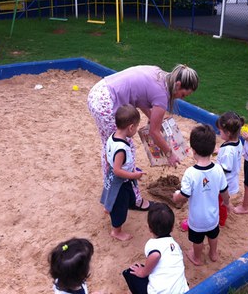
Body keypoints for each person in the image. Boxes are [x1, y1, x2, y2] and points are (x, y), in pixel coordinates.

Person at [87, 64, 200, 211]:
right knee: (124, 149)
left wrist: (152, 117)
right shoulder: (162, 94)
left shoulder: (158, 72)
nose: (181, 98)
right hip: (106, 103)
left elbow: (140, 99)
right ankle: (131, 199)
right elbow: (154, 132)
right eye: (183, 94)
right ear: (178, 85)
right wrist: (170, 154)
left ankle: (111, 189)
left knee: (110, 146)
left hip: (98, 91)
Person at [172, 124, 231, 266]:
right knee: (213, 235)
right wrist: (227, 203)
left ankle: (197, 257)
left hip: (197, 219)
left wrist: (176, 196)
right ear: (212, 149)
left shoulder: (190, 173)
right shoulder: (218, 169)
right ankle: (213, 253)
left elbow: (184, 196)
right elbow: (224, 192)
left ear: (193, 150)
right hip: (213, 216)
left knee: (197, 240)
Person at [122, 202, 189, 294]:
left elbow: (155, 255)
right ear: (172, 227)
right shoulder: (175, 245)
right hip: (183, 291)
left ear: (150, 228)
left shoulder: (152, 244)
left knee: (131, 271)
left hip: (160, 292)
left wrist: (143, 272)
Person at [101, 104, 144, 241]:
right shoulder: (122, 148)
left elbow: (108, 158)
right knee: (120, 206)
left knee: (118, 196)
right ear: (131, 127)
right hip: (120, 180)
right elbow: (118, 170)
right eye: (136, 127)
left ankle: (109, 207)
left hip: (115, 177)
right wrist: (134, 175)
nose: (136, 130)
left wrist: (130, 170)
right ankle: (116, 231)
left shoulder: (112, 137)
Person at [215, 111, 244, 226]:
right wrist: (219, 151)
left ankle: (221, 221)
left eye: (220, 131)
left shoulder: (228, 151)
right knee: (221, 200)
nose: (218, 132)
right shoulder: (237, 142)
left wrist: (213, 170)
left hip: (225, 182)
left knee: (220, 202)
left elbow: (225, 169)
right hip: (231, 179)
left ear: (228, 133)